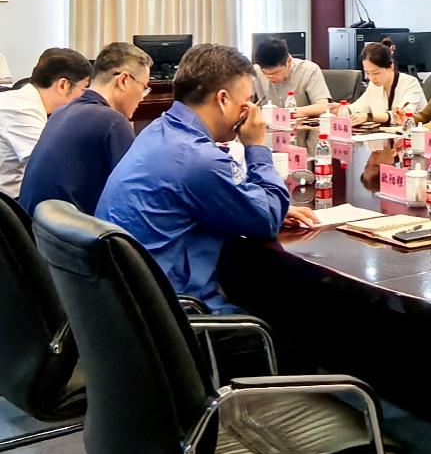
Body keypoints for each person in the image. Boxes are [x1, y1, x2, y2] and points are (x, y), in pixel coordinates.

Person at [97, 44, 318, 313]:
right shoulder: (197, 157)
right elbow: (267, 220)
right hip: (178, 312)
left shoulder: (160, 130)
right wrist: (257, 147)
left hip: (132, 305)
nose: (249, 112)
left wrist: (250, 203)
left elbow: (217, 195)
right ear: (223, 99)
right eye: (246, 102)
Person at [20, 43, 152, 217]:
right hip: (72, 230)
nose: (142, 97)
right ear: (123, 80)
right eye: (144, 87)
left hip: (39, 227)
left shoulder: (61, 112)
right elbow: (134, 195)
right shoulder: (112, 121)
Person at [0, 48, 91, 197]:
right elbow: (52, 165)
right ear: (63, 85)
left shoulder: (29, 103)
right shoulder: (22, 110)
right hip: (9, 201)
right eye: (84, 88)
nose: (84, 96)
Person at [339, 42, 426, 126]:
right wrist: (343, 110)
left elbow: (402, 115)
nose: (372, 78)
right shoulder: (373, 85)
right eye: (368, 73)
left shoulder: (410, 83)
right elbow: (359, 107)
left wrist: (369, 117)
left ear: (391, 66)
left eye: (376, 73)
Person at [252, 37, 331, 118]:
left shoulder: (309, 70)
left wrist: (286, 113)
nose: (270, 77)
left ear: (288, 61)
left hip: (301, 123)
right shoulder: (255, 71)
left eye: (275, 73)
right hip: (267, 124)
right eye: (264, 73)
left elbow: (322, 106)